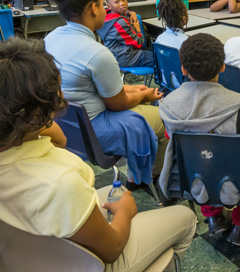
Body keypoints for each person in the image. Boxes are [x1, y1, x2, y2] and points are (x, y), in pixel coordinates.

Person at [0, 37, 197, 272]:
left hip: (31, 254)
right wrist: (125, 212)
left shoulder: (14, 143)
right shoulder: (61, 182)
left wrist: (34, 122)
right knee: (184, 218)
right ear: (41, 110)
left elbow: (60, 140)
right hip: (96, 263)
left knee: (114, 193)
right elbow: (112, 248)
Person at [43, 0, 166, 189]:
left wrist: (129, 88)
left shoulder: (51, 38)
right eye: (102, 5)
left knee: (138, 101)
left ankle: (138, 168)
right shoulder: (97, 53)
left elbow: (87, 86)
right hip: (94, 130)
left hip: (65, 124)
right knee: (165, 119)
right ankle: (146, 178)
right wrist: (144, 94)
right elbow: (117, 104)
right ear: (93, 8)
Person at [158, 33, 240, 247]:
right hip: (235, 182)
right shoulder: (239, 105)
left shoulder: (167, 105)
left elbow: (174, 144)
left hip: (194, 181)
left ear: (183, 69)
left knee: (199, 161)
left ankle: (214, 218)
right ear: (222, 66)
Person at [97, 0, 153, 68]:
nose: (122, 4)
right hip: (125, 57)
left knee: (153, 51)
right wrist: (137, 28)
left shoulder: (106, 16)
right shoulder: (120, 24)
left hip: (115, 55)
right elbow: (139, 43)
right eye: (117, 2)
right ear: (109, 5)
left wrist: (130, 12)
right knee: (159, 58)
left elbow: (122, 11)